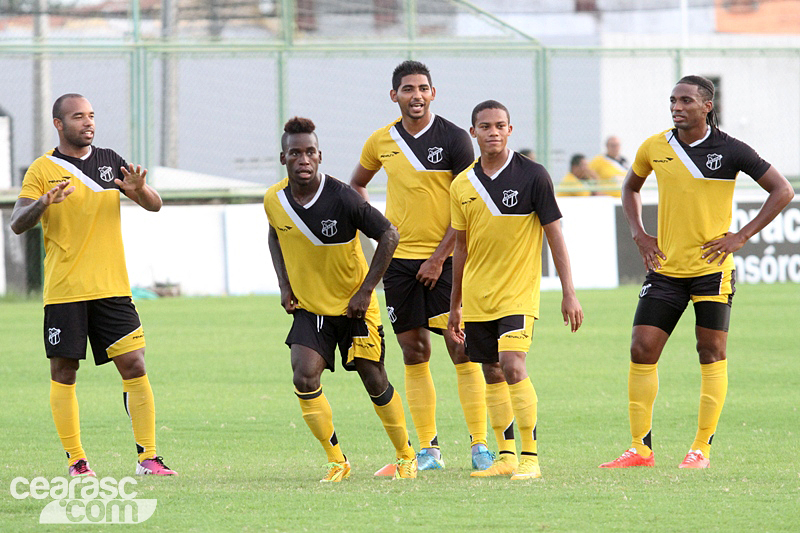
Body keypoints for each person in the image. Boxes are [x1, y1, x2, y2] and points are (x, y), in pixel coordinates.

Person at [600, 76, 794, 470]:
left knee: (710, 351)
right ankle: (640, 449)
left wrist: (741, 235)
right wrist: (639, 233)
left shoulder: (731, 150)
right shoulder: (655, 146)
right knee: (642, 348)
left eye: (686, 100)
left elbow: (782, 191)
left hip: (712, 271)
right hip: (666, 268)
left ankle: (700, 449)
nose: (677, 106)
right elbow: (630, 187)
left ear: (707, 105)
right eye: (673, 100)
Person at [10, 93, 176, 477]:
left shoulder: (110, 161)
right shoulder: (41, 169)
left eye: (91, 116)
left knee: (135, 364)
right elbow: (18, 222)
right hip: (66, 290)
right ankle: (76, 461)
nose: (88, 123)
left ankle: (148, 458)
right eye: (78, 117)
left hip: (113, 289)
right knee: (64, 371)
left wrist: (138, 190)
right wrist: (43, 203)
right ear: (59, 124)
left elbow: (154, 205)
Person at [350, 60, 494, 471]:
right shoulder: (380, 141)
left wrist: (438, 257)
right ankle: (430, 450)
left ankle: (480, 447)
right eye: (408, 89)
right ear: (393, 95)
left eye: (423, 88)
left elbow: (469, 200)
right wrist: (377, 226)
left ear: (433, 94)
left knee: (460, 346)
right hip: (397, 264)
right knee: (413, 351)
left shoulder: (453, 139)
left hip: (446, 261)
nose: (416, 95)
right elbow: (357, 182)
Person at [265, 117, 417, 481]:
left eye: (310, 152)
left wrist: (366, 290)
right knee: (304, 377)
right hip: (310, 308)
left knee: (373, 377)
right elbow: (274, 235)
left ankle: (405, 455)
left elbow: (389, 235)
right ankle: (337, 460)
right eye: (296, 153)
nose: (304, 159)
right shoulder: (274, 199)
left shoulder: (343, 197)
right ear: (283, 157)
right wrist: (285, 285)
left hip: (355, 308)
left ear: (320, 156)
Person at [448, 100, 584, 480]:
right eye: (485, 126)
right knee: (490, 369)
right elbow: (460, 247)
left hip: (518, 294)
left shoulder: (534, 176)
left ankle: (530, 457)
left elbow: (554, 235)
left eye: (500, 125)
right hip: (477, 296)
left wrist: (568, 291)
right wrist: (455, 304)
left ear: (510, 131)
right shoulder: (462, 184)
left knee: (512, 365)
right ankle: (505, 455)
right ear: (472, 131)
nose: (492, 132)